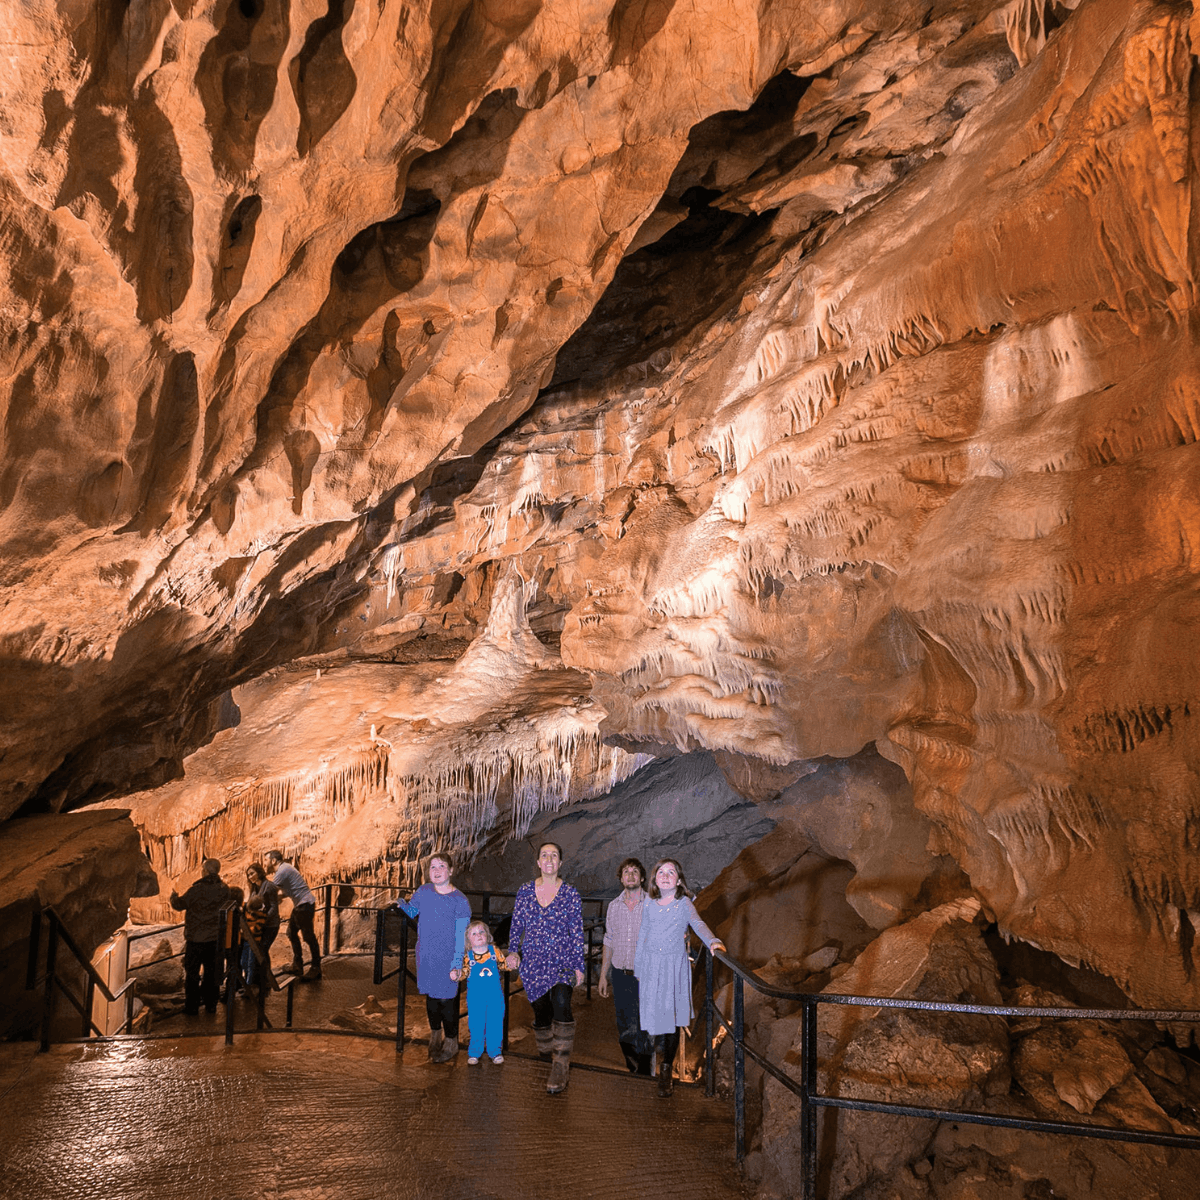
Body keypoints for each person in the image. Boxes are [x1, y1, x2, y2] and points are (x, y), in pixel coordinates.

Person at [634, 859, 725, 1098]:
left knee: (672, 1021)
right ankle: (653, 1062)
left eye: (670, 872)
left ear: (679, 880)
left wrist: (712, 941)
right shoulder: (649, 904)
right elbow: (643, 933)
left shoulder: (683, 903)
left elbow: (697, 923)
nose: (665, 876)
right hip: (653, 965)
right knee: (655, 1018)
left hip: (674, 967)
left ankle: (665, 1070)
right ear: (654, 879)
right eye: (661, 872)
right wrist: (639, 967)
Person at [505, 842, 585, 1094]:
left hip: (562, 961)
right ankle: (545, 1052)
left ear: (560, 863)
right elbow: (517, 924)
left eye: (554, 855)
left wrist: (579, 966)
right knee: (541, 1011)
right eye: (544, 855)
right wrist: (513, 950)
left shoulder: (570, 893)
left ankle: (560, 1064)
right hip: (533, 962)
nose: (549, 859)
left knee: (561, 1002)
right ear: (538, 863)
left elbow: (576, 931)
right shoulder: (525, 891)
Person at [396, 851, 471, 1062]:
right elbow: (413, 912)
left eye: (441, 867)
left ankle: (451, 1040)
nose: (437, 871)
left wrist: (457, 963)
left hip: (448, 957)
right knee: (431, 998)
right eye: (433, 867)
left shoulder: (460, 901)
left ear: (451, 870)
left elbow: (461, 936)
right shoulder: (423, 891)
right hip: (426, 954)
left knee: (447, 1000)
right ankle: (435, 1035)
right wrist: (402, 903)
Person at [598, 857, 653, 1075]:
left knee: (646, 1023)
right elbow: (608, 940)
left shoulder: (652, 906)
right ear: (621, 878)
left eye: (635, 871)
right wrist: (603, 975)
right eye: (626, 872)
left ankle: (646, 1071)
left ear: (642, 877)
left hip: (646, 975)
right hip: (621, 974)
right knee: (626, 1023)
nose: (630, 875)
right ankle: (633, 1068)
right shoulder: (613, 907)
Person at [170, 858, 234, 1016]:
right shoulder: (224, 889)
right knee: (212, 973)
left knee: (192, 974)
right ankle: (211, 1005)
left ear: (205, 871)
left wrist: (173, 897)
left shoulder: (197, 890)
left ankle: (192, 1006)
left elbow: (179, 904)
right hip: (214, 939)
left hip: (196, 939)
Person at [452, 920, 509, 1065]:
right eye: (474, 933)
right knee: (476, 1024)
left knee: (495, 1023)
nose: (478, 935)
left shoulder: (494, 952)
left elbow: (504, 965)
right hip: (475, 999)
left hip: (495, 997)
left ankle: (495, 1051)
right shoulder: (468, 957)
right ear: (468, 939)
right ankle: (474, 1052)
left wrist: (512, 962)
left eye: (481, 932)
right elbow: (463, 973)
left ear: (487, 935)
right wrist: (457, 974)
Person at [263, 849, 321, 981]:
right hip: (302, 904)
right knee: (291, 932)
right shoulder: (286, 867)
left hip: (304, 905)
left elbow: (269, 891)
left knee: (309, 937)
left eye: (266, 860)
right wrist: (281, 896)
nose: (265, 863)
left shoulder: (281, 872)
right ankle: (297, 964)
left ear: (273, 861)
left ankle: (316, 968)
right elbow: (292, 888)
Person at [240, 862, 280, 994]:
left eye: (252, 873)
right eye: (248, 874)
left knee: (262, 949)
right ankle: (258, 981)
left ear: (259, 872)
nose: (250, 876)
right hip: (260, 923)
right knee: (258, 950)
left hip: (270, 924)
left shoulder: (269, 887)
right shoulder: (254, 887)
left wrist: (263, 919)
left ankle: (266, 980)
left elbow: (274, 906)